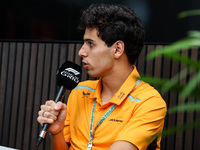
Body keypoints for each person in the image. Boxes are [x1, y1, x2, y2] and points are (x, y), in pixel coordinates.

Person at [37, 3, 167, 150]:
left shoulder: (149, 102)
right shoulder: (79, 91)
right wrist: (57, 131)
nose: (81, 52)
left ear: (117, 49)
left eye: (91, 44)